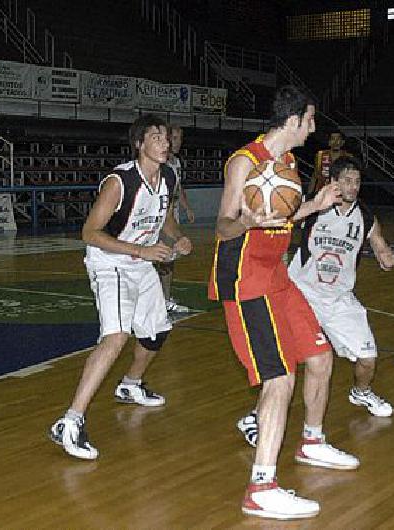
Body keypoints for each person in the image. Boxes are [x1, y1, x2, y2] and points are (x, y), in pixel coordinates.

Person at [208, 85, 359, 521]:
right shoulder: (245, 161)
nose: (314, 128)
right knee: (279, 378)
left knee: (320, 355)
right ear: (293, 121)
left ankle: (311, 441)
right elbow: (221, 225)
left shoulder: (290, 163)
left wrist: (315, 203)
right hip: (245, 279)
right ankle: (261, 487)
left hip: (278, 276)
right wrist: (246, 221)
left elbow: (283, 214)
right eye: (310, 120)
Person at [48, 114, 193, 460]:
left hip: (140, 263)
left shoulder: (169, 176)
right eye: (156, 137)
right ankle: (69, 421)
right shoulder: (120, 181)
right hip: (109, 262)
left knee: (157, 332)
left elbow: (163, 216)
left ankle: (130, 385)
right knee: (116, 337)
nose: (164, 142)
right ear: (140, 144)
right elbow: (89, 233)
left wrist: (178, 236)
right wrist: (141, 250)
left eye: (166, 137)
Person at [236, 156, 394, 451]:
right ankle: (255, 418)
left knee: (368, 359)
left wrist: (384, 254)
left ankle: (361, 392)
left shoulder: (366, 216)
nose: (353, 186)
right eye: (347, 180)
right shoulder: (313, 207)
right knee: (288, 363)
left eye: (357, 181)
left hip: (339, 300)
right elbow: (285, 218)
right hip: (303, 293)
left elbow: (378, 240)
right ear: (333, 182)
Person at [156, 124, 196, 314]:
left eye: (181, 138)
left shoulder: (176, 163)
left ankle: (164, 298)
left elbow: (178, 189)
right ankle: (160, 300)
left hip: (172, 216)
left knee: (168, 260)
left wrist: (186, 207)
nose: (178, 142)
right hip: (160, 219)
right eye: (175, 138)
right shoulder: (160, 163)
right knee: (163, 259)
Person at [308, 130, 351, 196]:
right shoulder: (320, 155)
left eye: (338, 139)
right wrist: (309, 194)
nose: (336, 142)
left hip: (341, 194)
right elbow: (315, 176)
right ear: (329, 142)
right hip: (322, 194)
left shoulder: (348, 157)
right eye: (333, 139)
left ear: (342, 142)